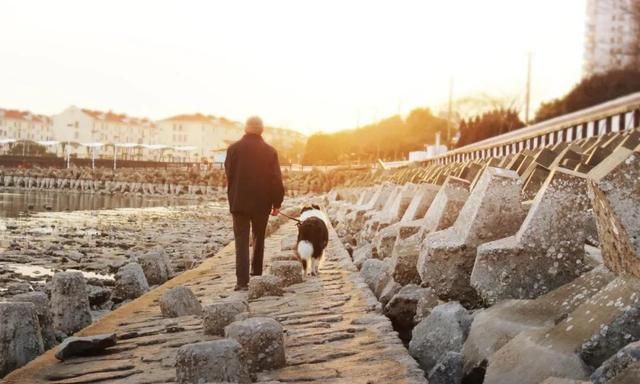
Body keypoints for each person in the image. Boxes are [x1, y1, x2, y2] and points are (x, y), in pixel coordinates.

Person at [224, 116, 285, 291]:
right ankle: (256, 274)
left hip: (239, 202)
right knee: (259, 238)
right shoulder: (269, 151)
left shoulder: (233, 149)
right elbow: (276, 180)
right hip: (261, 202)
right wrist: (277, 203)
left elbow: (229, 174)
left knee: (241, 241)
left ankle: (242, 282)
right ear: (262, 129)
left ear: (245, 128)